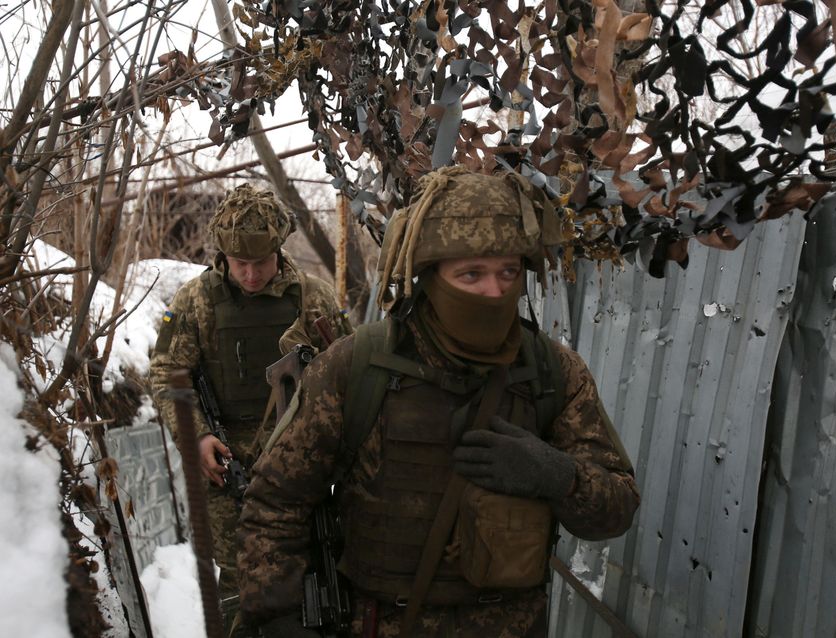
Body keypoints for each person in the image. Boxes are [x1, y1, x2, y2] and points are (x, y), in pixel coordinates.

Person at [238, 166, 640, 638]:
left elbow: (617, 510)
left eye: (508, 272)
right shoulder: (355, 367)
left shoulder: (554, 373)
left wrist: (556, 475)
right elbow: (275, 503)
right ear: (429, 276)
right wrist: (276, 616)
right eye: (471, 274)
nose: (494, 292)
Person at [148, 183, 352, 636]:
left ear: (279, 250)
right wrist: (197, 437)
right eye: (240, 264)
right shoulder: (194, 301)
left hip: (305, 464)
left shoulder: (313, 298)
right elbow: (165, 375)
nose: (252, 274)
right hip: (229, 470)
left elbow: (349, 375)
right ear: (223, 255)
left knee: (313, 573)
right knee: (240, 583)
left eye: (261, 262)